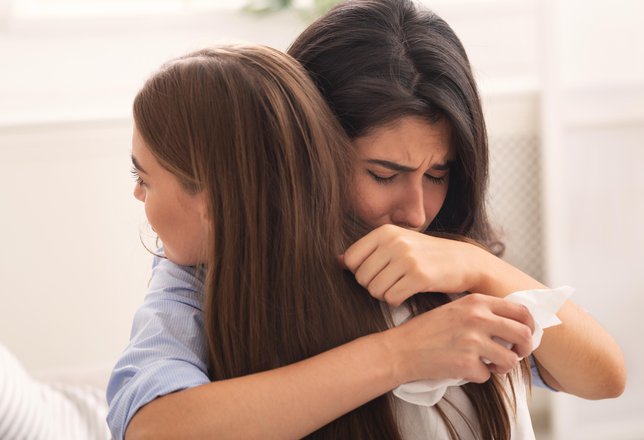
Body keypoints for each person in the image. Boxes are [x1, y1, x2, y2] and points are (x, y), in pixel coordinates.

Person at [107, 1, 626, 439]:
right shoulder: (201, 276)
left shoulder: (444, 262)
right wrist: (400, 356)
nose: (416, 212)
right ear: (305, 150)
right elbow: (154, 425)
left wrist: (476, 265)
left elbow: (604, 376)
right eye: (383, 174)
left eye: (438, 174)